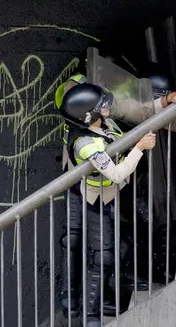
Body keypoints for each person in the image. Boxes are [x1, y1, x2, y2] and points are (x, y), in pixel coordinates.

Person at [59, 83, 156, 327]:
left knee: (111, 250)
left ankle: (99, 302)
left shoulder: (103, 125)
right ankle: (89, 314)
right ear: (88, 115)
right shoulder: (85, 143)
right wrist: (140, 148)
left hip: (113, 195)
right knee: (101, 256)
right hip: (97, 199)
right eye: (101, 107)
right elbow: (115, 172)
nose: (107, 108)